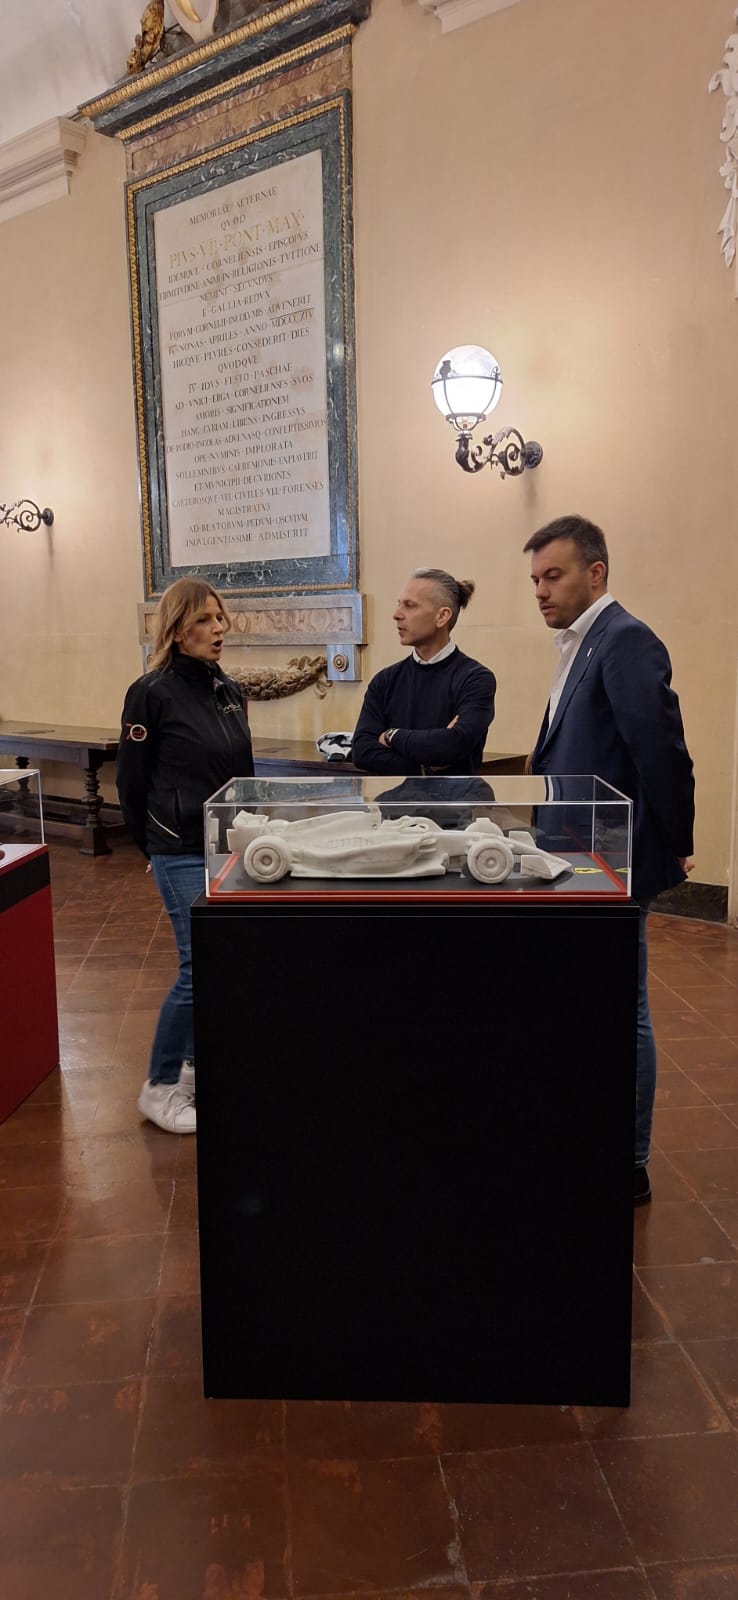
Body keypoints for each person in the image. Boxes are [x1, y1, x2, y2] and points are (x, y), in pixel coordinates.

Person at [523, 514, 695, 1205]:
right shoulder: (581, 643)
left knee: (625, 1009)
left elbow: (662, 751)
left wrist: (677, 840)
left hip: (610, 859)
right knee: (586, 1000)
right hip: (573, 856)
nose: (541, 590)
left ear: (595, 574)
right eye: (535, 579)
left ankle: (628, 1161)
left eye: (553, 575)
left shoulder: (624, 640)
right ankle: (586, 1129)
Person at [116, 577, 254, 1134]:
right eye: (203, 620)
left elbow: (241, 774)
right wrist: (149, 841)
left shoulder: (227, 689)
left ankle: (195, 1068)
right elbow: (131, 780)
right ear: (177, 629)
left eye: (220, 618)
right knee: (198, 967)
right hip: (179, 846)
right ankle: (159, 1085)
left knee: (222, 961)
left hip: (227, 843)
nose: (218, 629)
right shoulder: (150, 692)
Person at [351, 568, 496, 776]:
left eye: (410, 605)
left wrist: (391, 735)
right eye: (399, 603)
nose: (396, 615)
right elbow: (362, 751)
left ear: (442, 616)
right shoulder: (385, 680)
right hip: (395, 797)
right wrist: (424, 768)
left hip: (454, 797)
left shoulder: (475, 679)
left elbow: (453, 745)